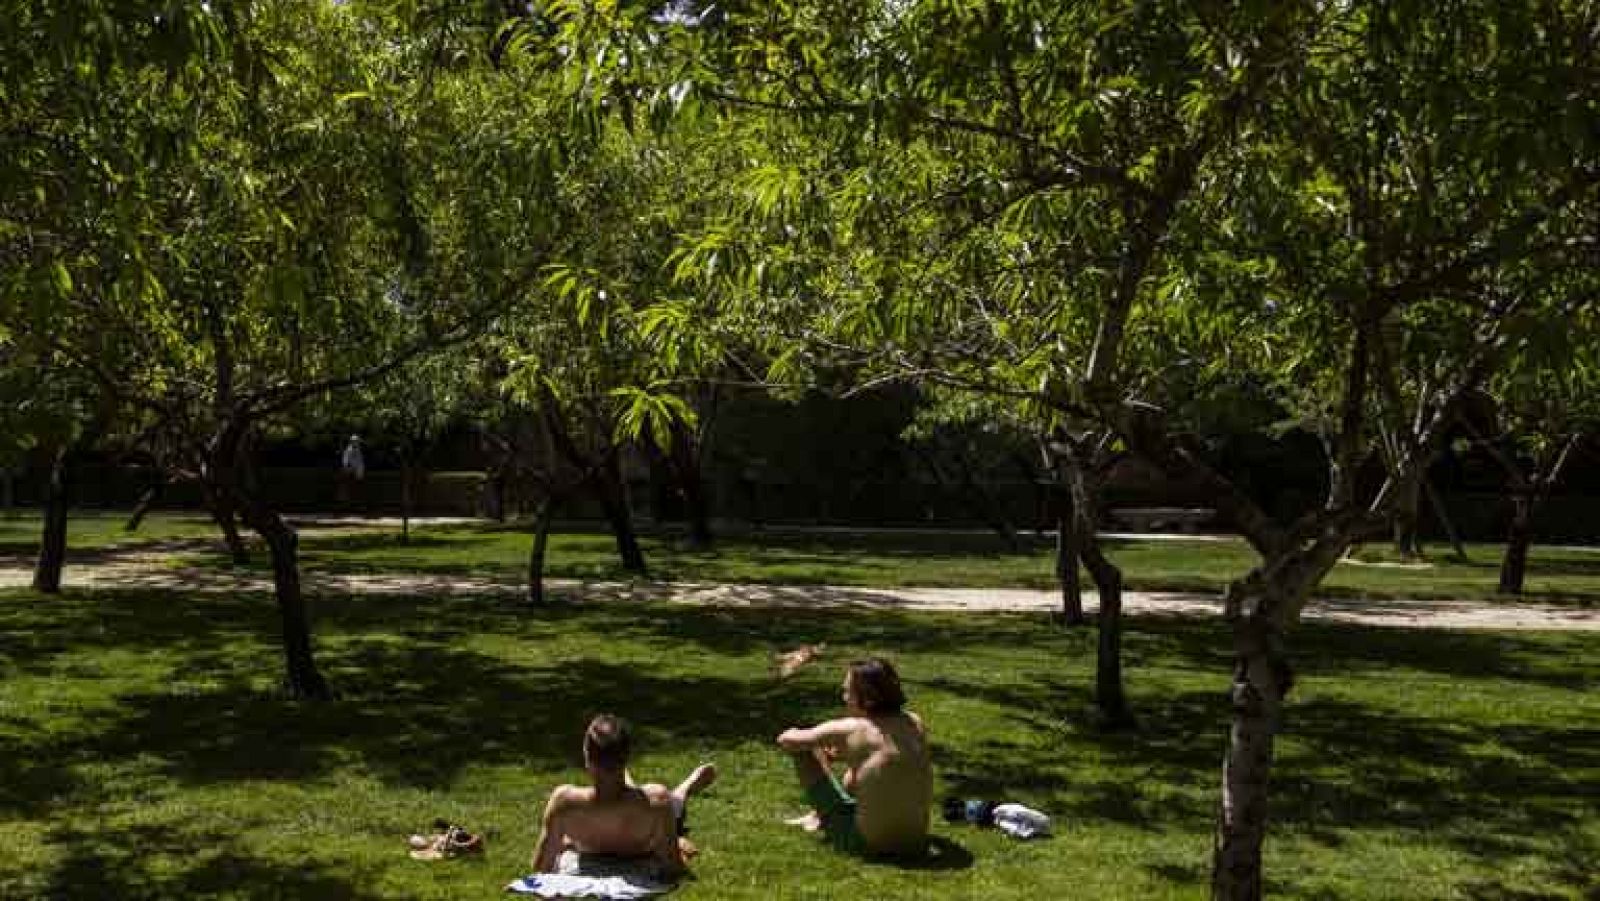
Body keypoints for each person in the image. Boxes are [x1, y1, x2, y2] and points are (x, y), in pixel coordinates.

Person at [776, 657, 933, 858]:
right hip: (916, 842)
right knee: (859, 772)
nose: (843, 697)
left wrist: (801, 736)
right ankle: (817, 817)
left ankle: (823, 818)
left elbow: (787, 741)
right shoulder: (914, 722)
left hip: (867, 845)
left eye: (847, 692)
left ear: (867, 700)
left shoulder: (851, 728)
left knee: (803, 750)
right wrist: (847, 753)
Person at [530, 714, 717, 879]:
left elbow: (541, 868)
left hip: (620, 819)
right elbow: (672, 867)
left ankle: (686, 787)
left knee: (671, 802)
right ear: (627, 756)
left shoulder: (564, 802)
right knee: (666, 802)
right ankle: (680, 786)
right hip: (643, 824)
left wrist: (565, 843)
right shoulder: (656, 799)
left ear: (586, 758)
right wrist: (675, 845)